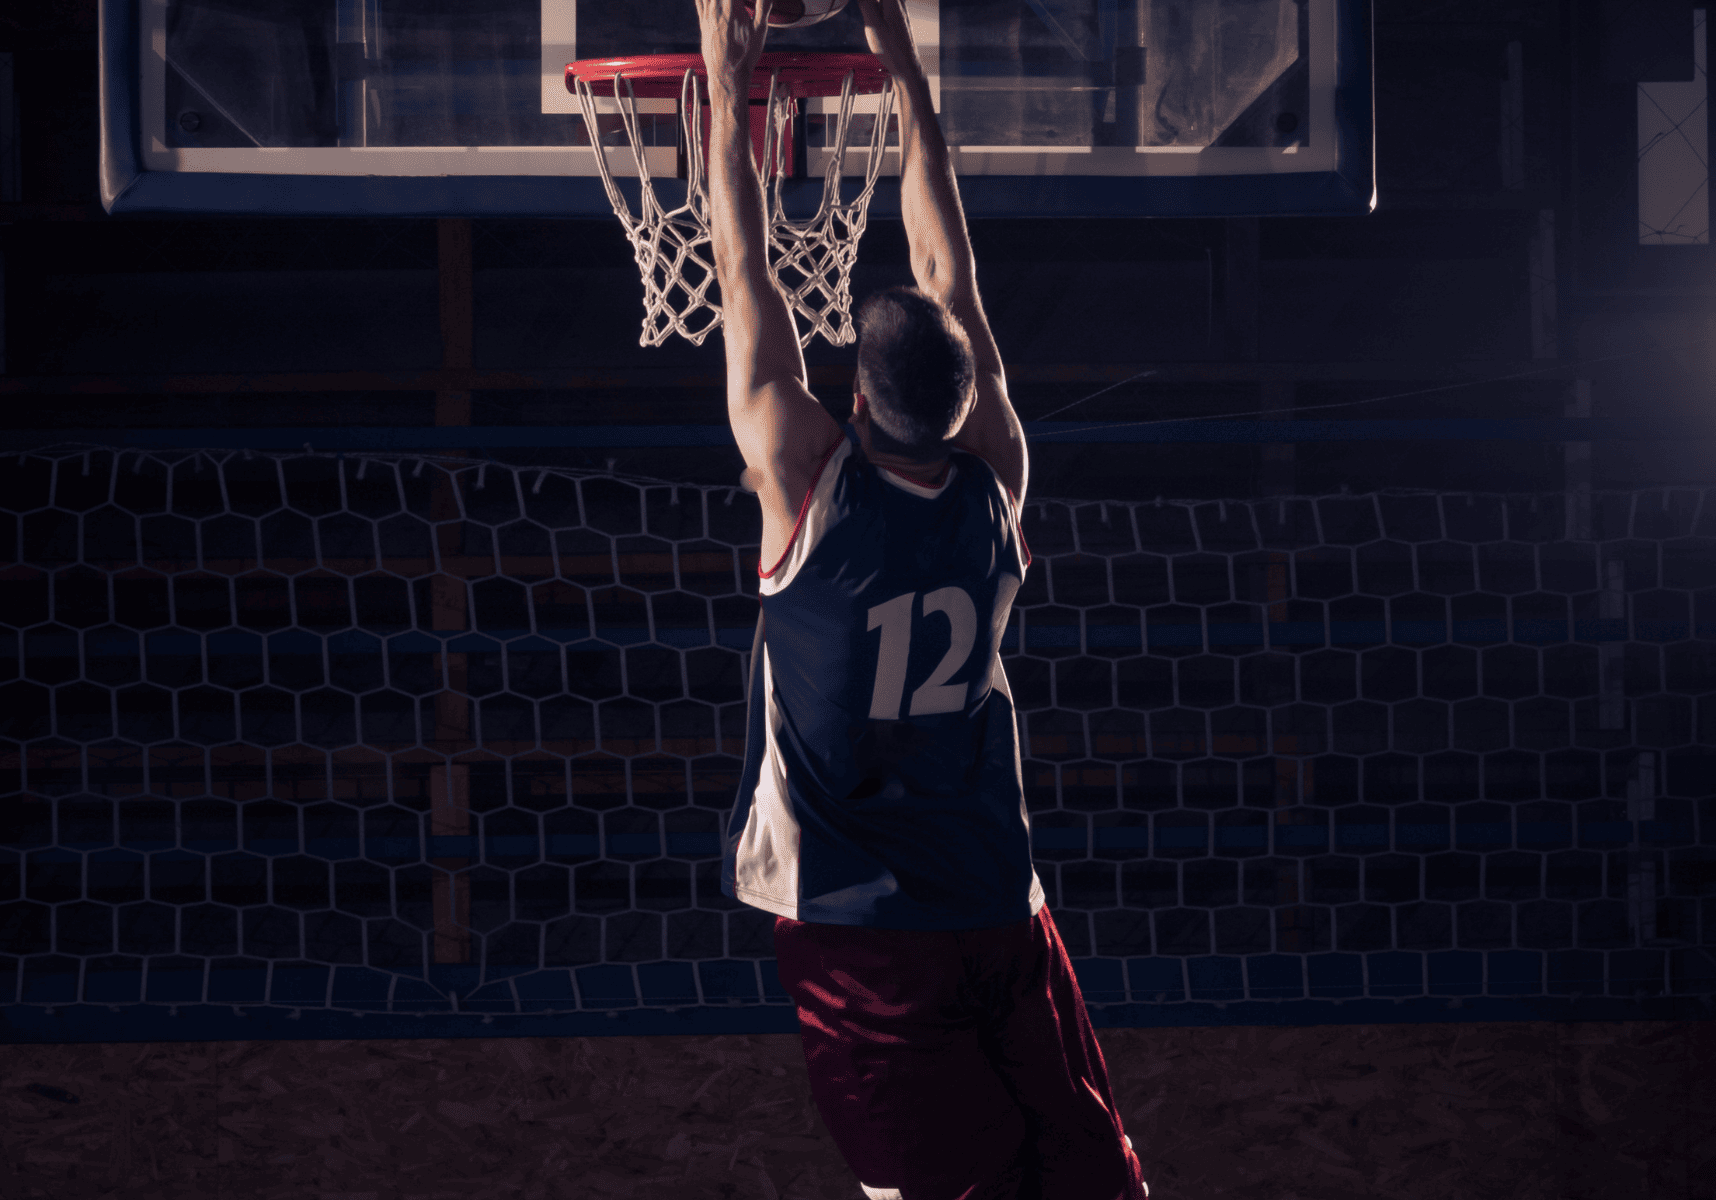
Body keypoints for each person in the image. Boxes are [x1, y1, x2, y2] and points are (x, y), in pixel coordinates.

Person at [697, 0, 1149, 1196]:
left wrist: (724, 75)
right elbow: (953, 266)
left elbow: (742, 268)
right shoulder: (998, 468)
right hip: (1000, 902)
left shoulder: (806, 475)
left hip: (863, 929)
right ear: (966, 389)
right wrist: (903, 64)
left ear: (854, 389)